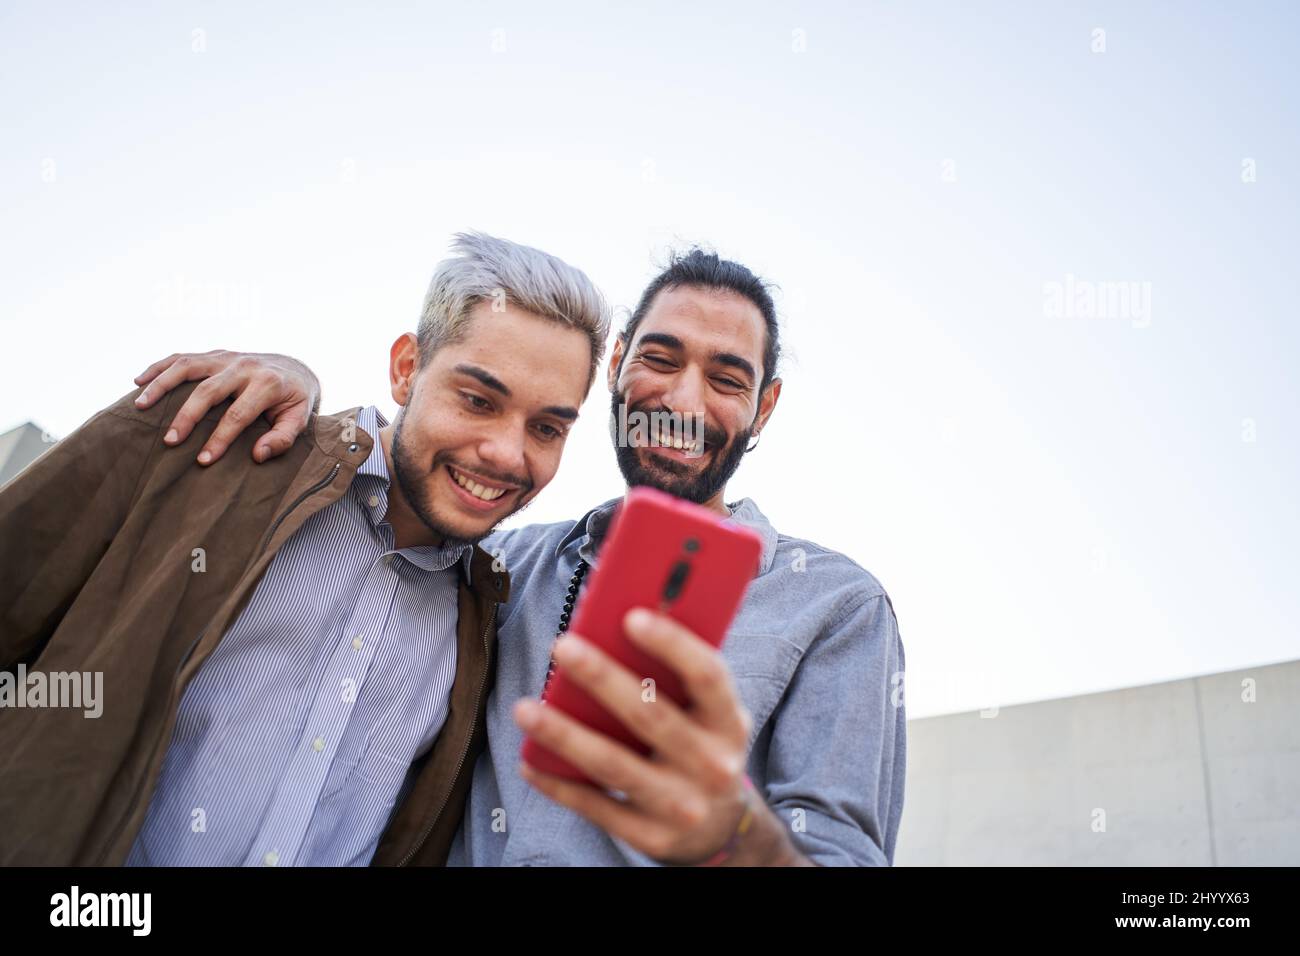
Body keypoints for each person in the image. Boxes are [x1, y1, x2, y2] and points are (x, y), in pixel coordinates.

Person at [128, 247, 908, 866]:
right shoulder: (497, 563)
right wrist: (300, 393)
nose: (683, 402)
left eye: (728, 378)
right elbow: (397, 483)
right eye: (661, 359)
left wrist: (733, 841)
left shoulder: (834, 607)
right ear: (617, 369)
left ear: (763, 407)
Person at [0, 231, 609, 866]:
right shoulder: (212, 439)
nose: (508, 455)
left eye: (546, 428)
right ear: (407, 369)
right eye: (478, 400)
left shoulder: (492, 615)